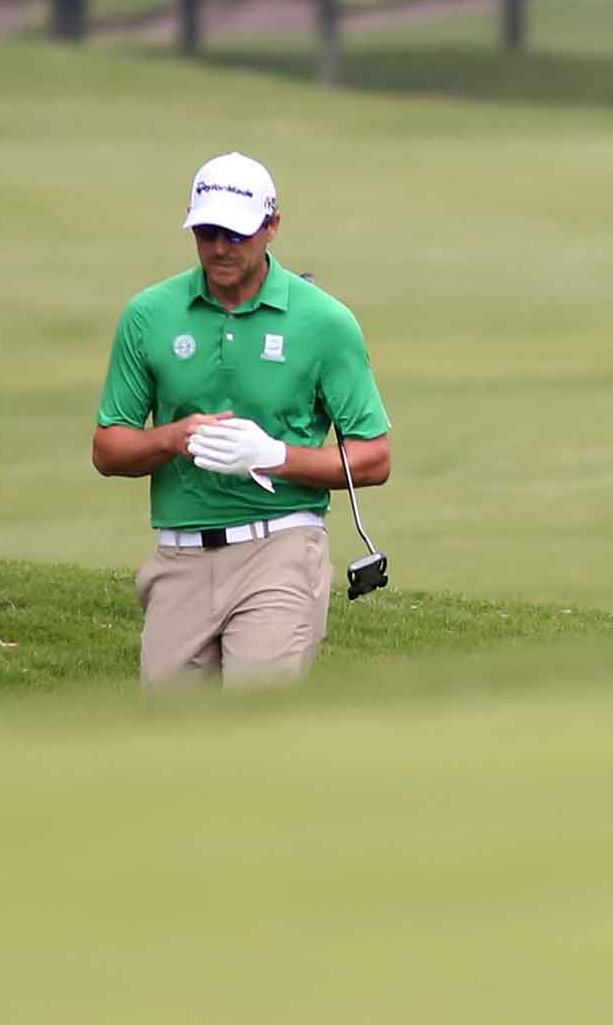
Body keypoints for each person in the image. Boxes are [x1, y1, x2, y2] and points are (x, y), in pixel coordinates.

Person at [92, 152, 392, 686]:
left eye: (235, 234)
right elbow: (108, 449)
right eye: (207, 232)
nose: (218, 248)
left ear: (271, 226)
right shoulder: (149, 315)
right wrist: (173, 438)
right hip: (179, 556)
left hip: (281, 548)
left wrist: (272, 456)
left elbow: (373, 458)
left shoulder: (324, 321)